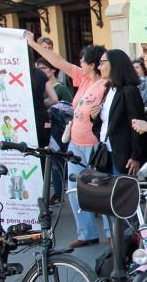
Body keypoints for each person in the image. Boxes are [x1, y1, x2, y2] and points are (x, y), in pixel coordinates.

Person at [27, 32, 108, 248]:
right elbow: (58, 61)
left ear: (92, 64)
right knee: (74, 189)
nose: (79, 62)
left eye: (83, 59)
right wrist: (32, 43)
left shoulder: (106, 84)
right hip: (75, 142)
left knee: (100, 187)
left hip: (94, 144)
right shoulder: (82, 78)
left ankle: (111, 232)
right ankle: (86, 232)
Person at [93, 49, 147, 176]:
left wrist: (136, 155)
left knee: (121, 193)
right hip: (106, 152)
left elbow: (137, 125)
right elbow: (107, 120)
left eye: (102, 63)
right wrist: (94, 116)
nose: (99, 67)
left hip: (124, 156)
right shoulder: (108, 89)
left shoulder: (130, 91)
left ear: (115, 64)